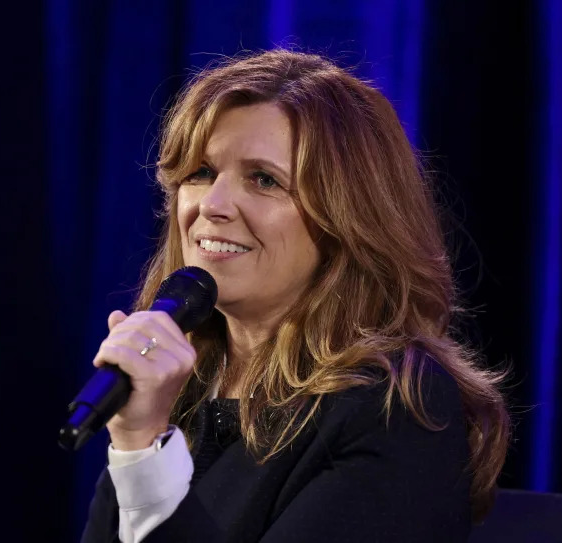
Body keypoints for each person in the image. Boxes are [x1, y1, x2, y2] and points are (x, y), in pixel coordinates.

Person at [80, 49, 510, 542]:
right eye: (200, 173)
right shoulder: (178, 388)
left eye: (264, 180)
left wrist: (142, 445)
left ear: (346, 222)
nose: (212, 205)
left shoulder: (395, 404)